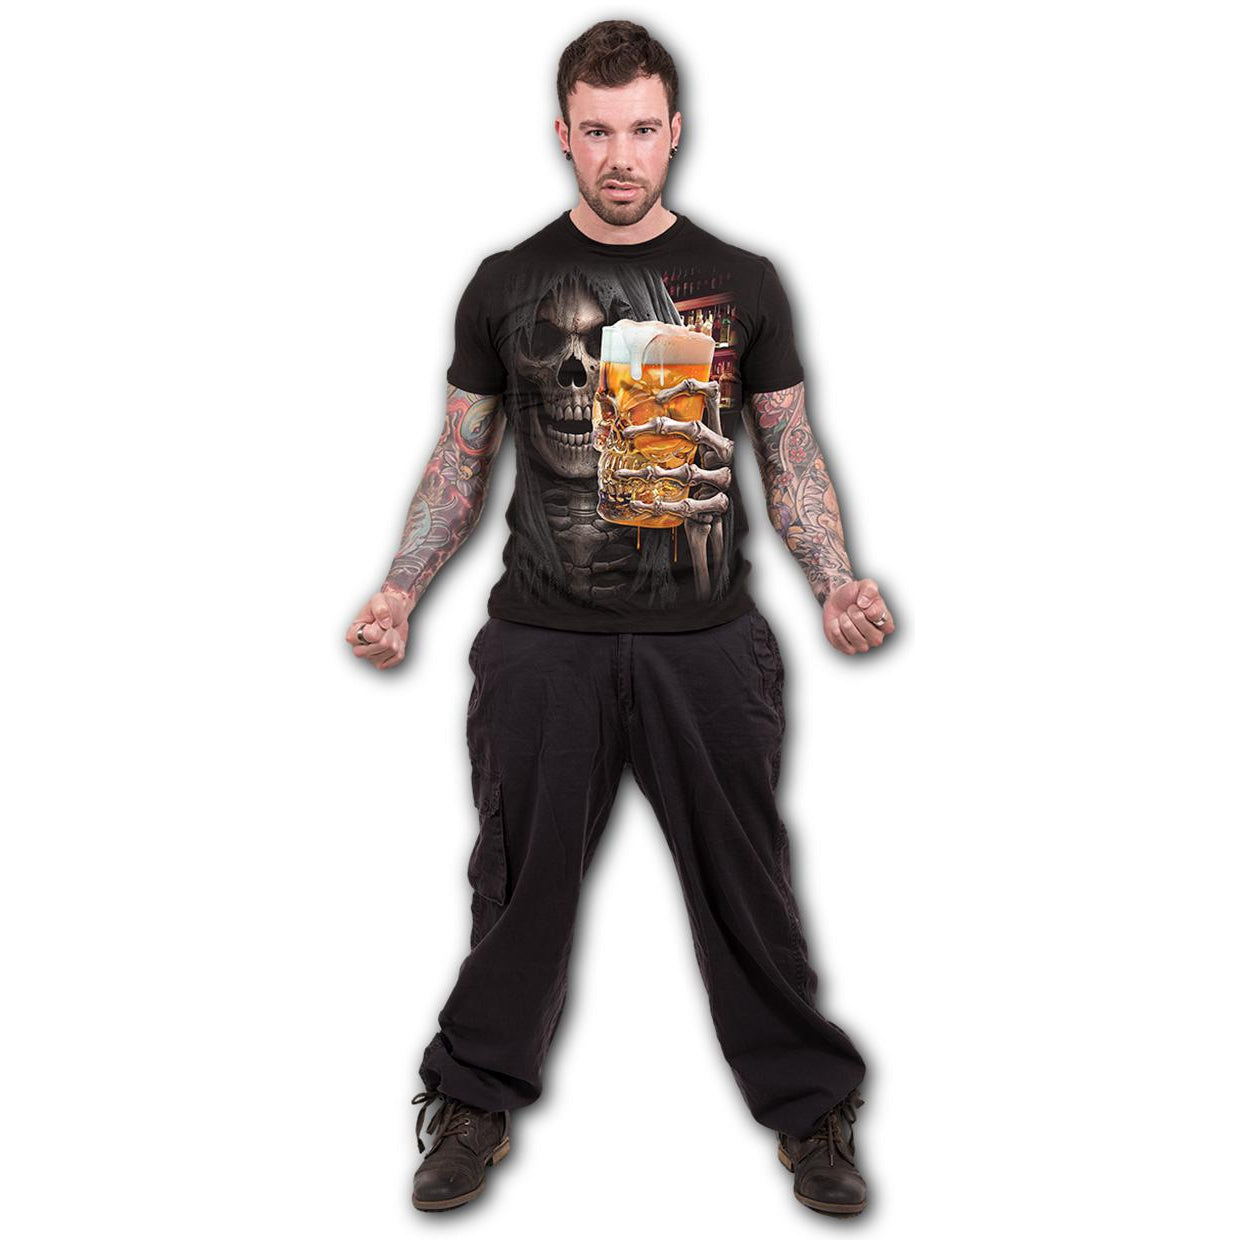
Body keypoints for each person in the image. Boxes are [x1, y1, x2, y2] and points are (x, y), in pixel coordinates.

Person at [345, 20, 895, 1217]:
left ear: (674, 131)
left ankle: (809, 1110)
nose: (620, 155)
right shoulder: (505, 283)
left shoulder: (744, 282)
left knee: (748, 887)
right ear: (563, 134)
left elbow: (790, 453)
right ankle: (474, 1099)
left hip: (708, 642)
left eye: (641, 129)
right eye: (597, 132)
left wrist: (834, 579)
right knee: (517, 886)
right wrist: (398, 588)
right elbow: (458, 459)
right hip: (543, 641)